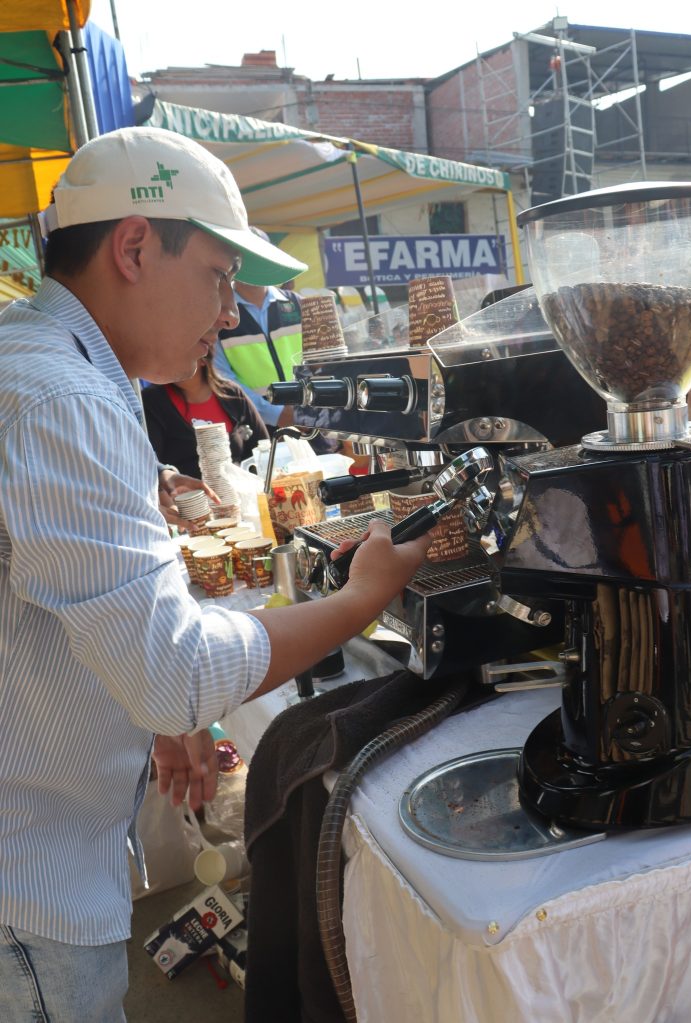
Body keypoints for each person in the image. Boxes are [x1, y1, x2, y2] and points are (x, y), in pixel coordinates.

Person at [0, 125, 432, 1022]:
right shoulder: (62, 398)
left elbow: (67, 613)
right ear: (132, 246)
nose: (231, 311)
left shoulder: (44, 362)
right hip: (25, 891)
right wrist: (365, 595)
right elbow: (177, 669)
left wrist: (151, 706)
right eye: (218, 275)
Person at [214, 230, 302, 434]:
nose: (254, 266)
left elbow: (322, 363)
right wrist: (276, 414)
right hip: (260, 430)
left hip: (311, 423)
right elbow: (223, 377)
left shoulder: (297, 304)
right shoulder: (220, 315)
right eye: (247, 259)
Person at [142, 346, 269, 479]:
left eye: (178, 354)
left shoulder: (231, 393)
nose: (168, 363)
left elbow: (263, 446)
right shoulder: (153, 401)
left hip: (242, 493)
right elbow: (151, 463)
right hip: (187, 497)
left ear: (203, 357)